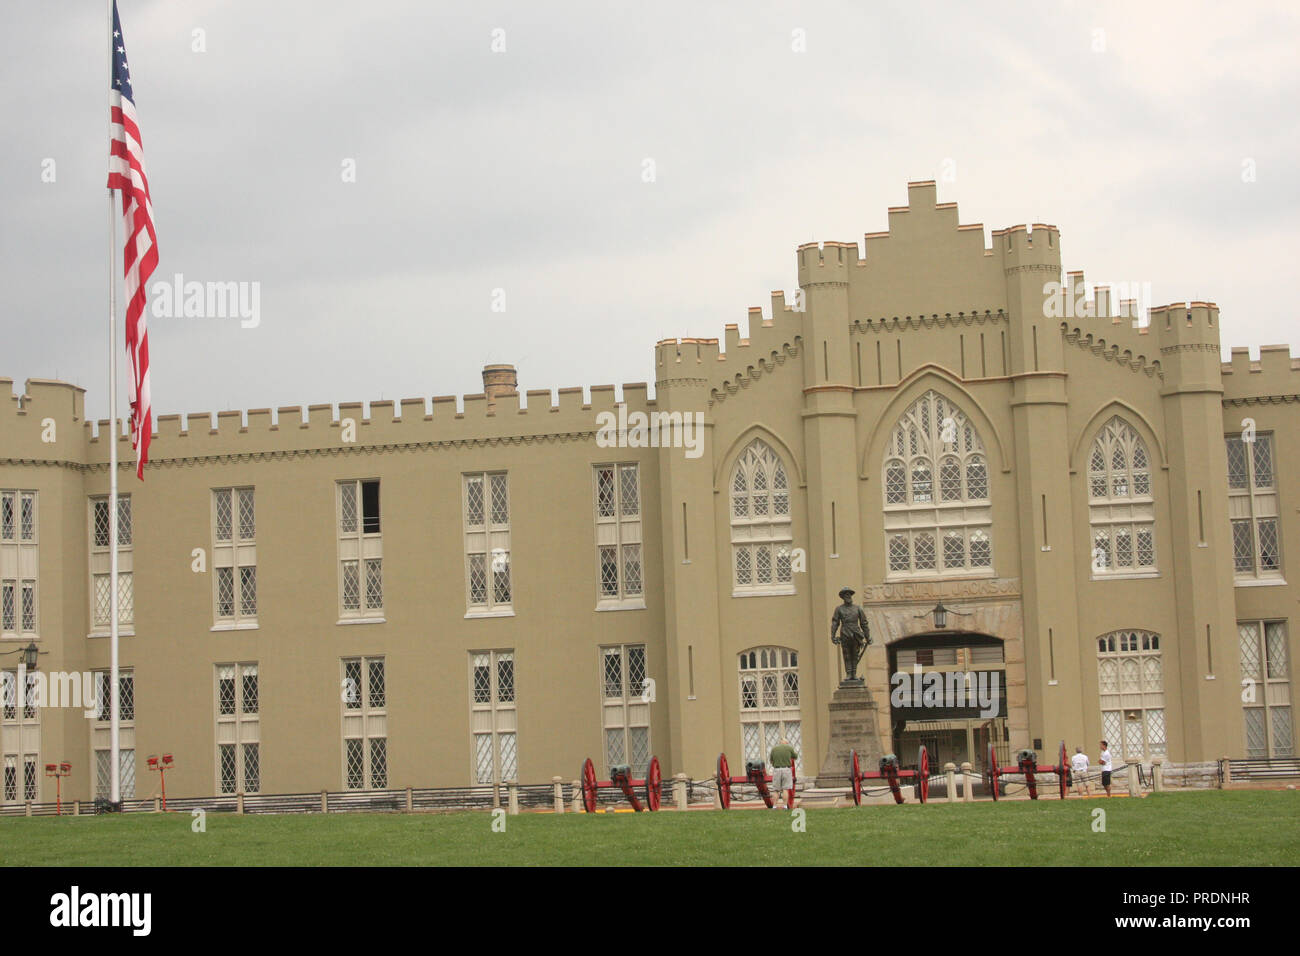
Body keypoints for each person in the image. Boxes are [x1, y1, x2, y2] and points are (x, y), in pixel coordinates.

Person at [768, 738, 798, 809]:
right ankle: (785, 806)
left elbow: (771, 760)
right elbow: (795, 757)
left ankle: (774, 806)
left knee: (776, 790)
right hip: (786, 769)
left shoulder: (774, 749)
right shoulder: (789, 748)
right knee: (785, 789)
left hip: (777, 770)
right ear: (786, 743)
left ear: (780, 742)